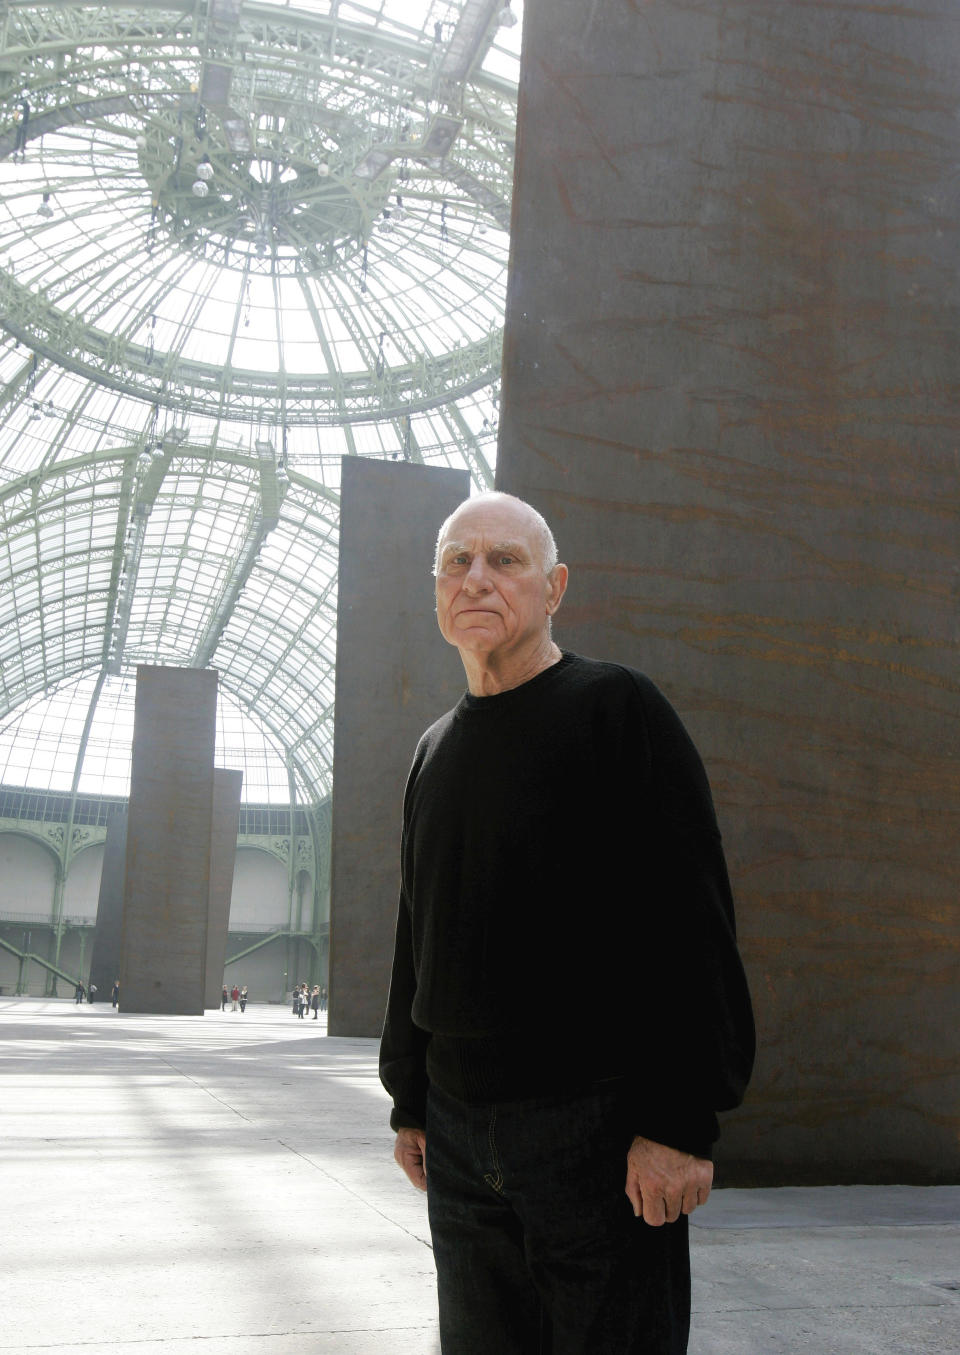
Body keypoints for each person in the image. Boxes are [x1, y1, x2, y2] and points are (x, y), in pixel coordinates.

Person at [379, 492, 755, 1355]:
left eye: (504, 560)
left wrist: (679, 1122)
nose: (475, 576)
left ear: (555, 588)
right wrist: (410, 1098)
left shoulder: (617, 710)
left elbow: (692, 921)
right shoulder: (433, 747)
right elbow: (418, 932)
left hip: (598, 1135)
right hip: (459, 1138)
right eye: (456, 561)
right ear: (436, 590)